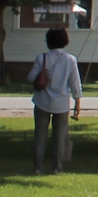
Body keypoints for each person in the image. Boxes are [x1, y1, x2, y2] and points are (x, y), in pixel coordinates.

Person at [28, 27, 83, 175]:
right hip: (62, 103)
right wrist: (77, 102)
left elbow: (31, 77)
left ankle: (38, 167)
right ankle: (57, 168)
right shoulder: (70, 59)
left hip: (42, 101)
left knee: (40, 136)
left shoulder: (41, 58)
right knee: (59, 138)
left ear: (48, 41)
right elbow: (75, 83)